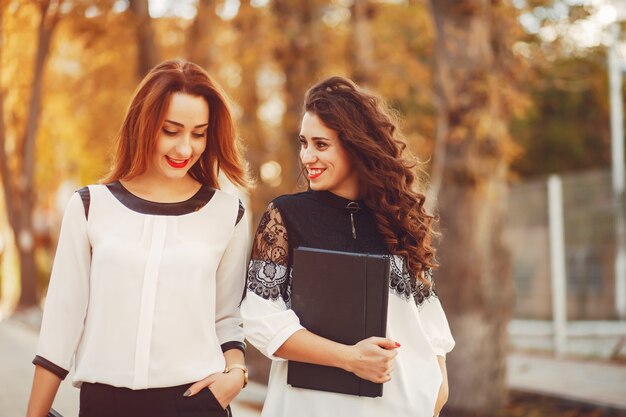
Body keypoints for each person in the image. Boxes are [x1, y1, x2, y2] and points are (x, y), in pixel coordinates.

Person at [26, 59, 250, 417]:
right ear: (144, 125)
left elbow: (227, 316)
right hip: (105, 404)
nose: (184, 149)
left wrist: (236, 374)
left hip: (196, 403)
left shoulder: (228, 214)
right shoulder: (89, 206)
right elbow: (60, 325)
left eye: (198, 133)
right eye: (171, 130)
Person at [241, 76, 455, 416]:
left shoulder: (398, 220)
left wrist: (436, 393)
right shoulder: (285, 216)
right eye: (303, 143)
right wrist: (350, 359)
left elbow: (430, 327)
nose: (307, 156)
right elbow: (259, 318)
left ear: (356, 146)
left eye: (321, 145)